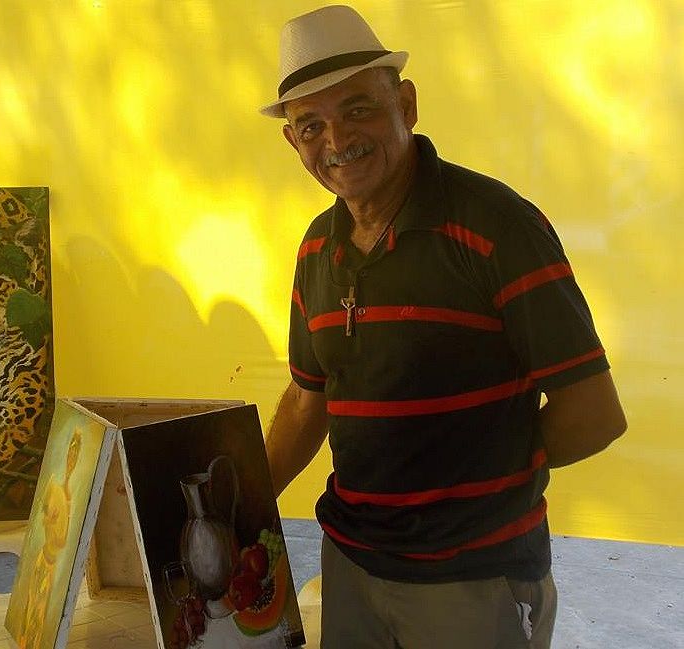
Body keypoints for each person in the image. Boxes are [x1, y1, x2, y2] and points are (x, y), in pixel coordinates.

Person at [259, 5, 626, 648]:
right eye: (311, 125)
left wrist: (487, 479)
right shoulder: (317, 248)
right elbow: (306, 400)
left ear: (406, 104)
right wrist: (240, 505)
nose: (337, 140)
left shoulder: (497, 227)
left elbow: (594, 413)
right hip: (350, 567)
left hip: (474, 581)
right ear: (293, 142)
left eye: (358, 109)